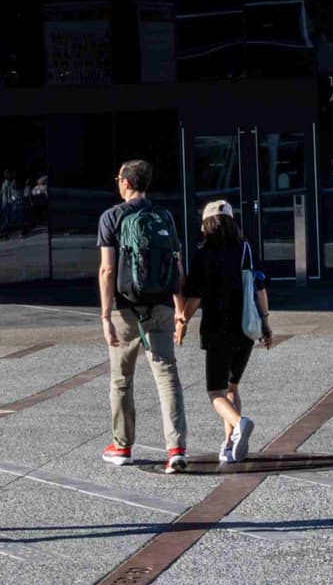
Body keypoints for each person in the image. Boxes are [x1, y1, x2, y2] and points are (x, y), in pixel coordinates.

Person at [96, 158, 191, 471]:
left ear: (125, 181)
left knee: (122, 379)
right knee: (167, 377)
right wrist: (180, 310)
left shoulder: (111, 217)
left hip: (126, 309)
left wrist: (105, 315)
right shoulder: (163, 215)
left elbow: (108, 269)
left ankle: (122, 447)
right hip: (162, 305)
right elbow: (177, 266)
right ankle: (176, 449)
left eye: (118, 177)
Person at [184, 197, 275, 464]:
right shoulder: (245, 249)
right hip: (246, 329)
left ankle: (239, 422)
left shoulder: (203, 255)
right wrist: (266, 323)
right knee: (232, 386)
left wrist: (182, 321)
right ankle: (229, 446)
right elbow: (259, 287)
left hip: (216, 329)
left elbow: (195, 297)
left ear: (208, 225)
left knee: (215, 391)